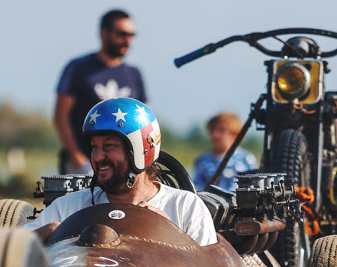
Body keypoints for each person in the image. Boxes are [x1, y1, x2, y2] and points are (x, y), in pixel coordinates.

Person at [27, 97, 216, 246]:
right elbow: (8, 250)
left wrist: (169, 232)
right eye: (94, 147)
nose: (98, 156)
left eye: (109, 146)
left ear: (141, 150)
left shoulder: (185, 207)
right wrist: (46, 233)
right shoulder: (68, 208)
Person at [53, 9, 146, 175]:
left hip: (124, 166)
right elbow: (60, 116)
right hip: (85, 164)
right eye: (122, 34)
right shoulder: (78, 68)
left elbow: (143, 121)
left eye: (132, 35)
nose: (127, 40)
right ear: (104, 33)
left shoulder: (134, 74)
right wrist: (76, 157)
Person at [192, 111, 257, 191]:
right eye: (212, 130)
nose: (215, 134)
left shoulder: (246, 159)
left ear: (235, 134)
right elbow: (196, 187)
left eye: (221, 130)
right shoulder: (202, 161)